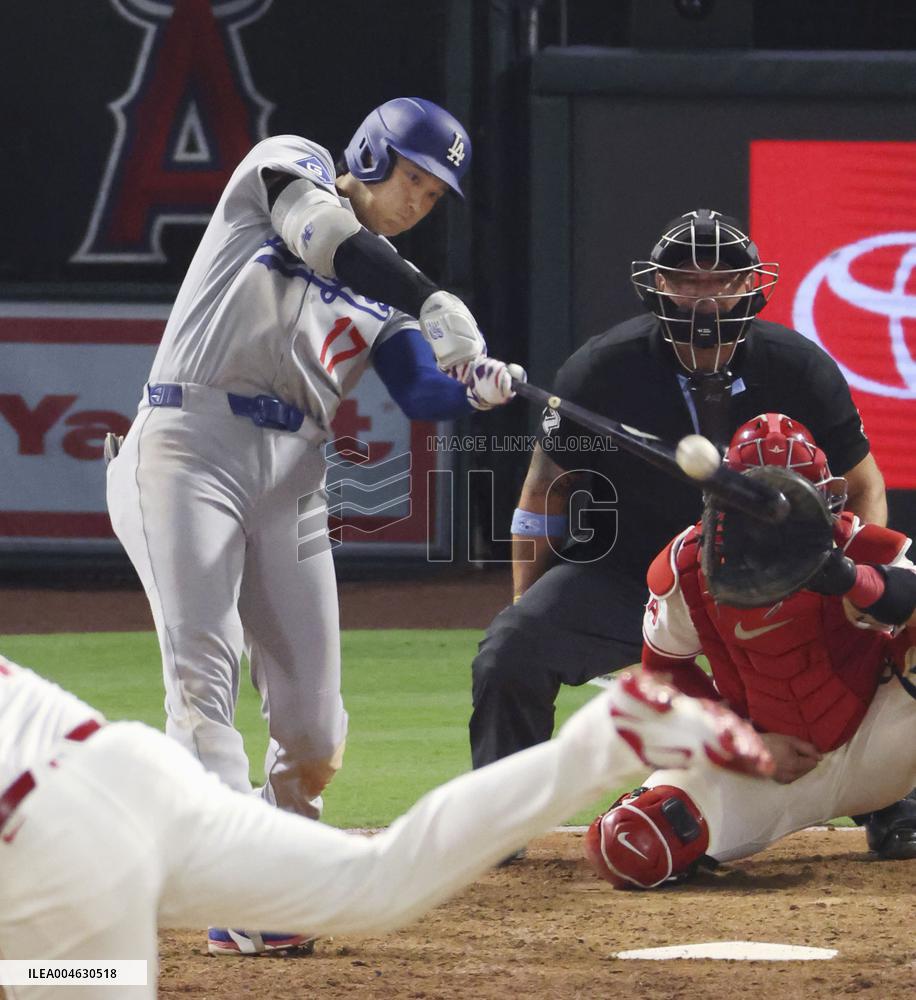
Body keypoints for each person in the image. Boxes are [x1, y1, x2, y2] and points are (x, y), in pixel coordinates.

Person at [105, 96, 524, 955]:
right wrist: (434, 293)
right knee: (202, 678)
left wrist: (480, 390)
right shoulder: (285, 167)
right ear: (369, 154)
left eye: (436, 192)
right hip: (188, 444)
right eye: (412, 176)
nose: (419, 198)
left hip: (292, 471)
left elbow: (419, 391)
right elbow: (328, 241)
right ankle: (239, 882)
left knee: (316, 726)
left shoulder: (389, 291)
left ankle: (280, 859)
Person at [467, 208, 916, 860]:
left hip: (784, 576)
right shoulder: (601, 370)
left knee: (884, 644)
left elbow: (863, 483)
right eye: (686, 278)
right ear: (656, 285)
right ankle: (498, 826)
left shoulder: (799, 368)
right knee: (511, 651)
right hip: (632, 574)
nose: (705, 295)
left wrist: (854, 585)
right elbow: (543, 495)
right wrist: (525, 608)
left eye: (722, 279)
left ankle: (894, 806)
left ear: (751, 285)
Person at [0, 653, 771, 998]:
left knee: (73, 976)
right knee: (375, 883)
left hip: (53, 842)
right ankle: (611, 734)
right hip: (126, 767)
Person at [583, 413, 916, 889]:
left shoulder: (861, 547)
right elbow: (661, 680)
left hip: (878, 744)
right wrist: (741, 745)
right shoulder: (687, 568)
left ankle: (897, 806)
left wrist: (850, 579)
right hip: (770, 768)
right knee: (629, 843)